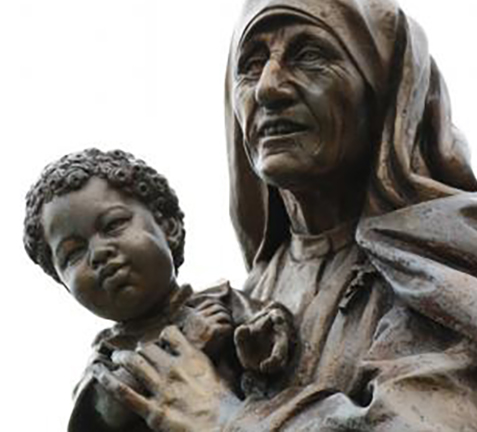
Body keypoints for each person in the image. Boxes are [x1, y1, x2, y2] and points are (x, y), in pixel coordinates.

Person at [99, 0, 477, 431]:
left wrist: (227, 419)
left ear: (384, 91)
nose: (269, 88)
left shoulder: (465, 273)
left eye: (310, 55)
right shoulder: (244, 300)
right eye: (251, 63)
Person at [23, 149, 293, 431]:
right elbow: (104, 409)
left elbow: (272, 327)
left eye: (114, 225)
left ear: (169, 226)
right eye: (73, 254)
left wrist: (259, 340)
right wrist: (184, 345)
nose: (99, 253)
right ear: (66, 286)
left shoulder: (221, 301)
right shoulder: (108, 359)